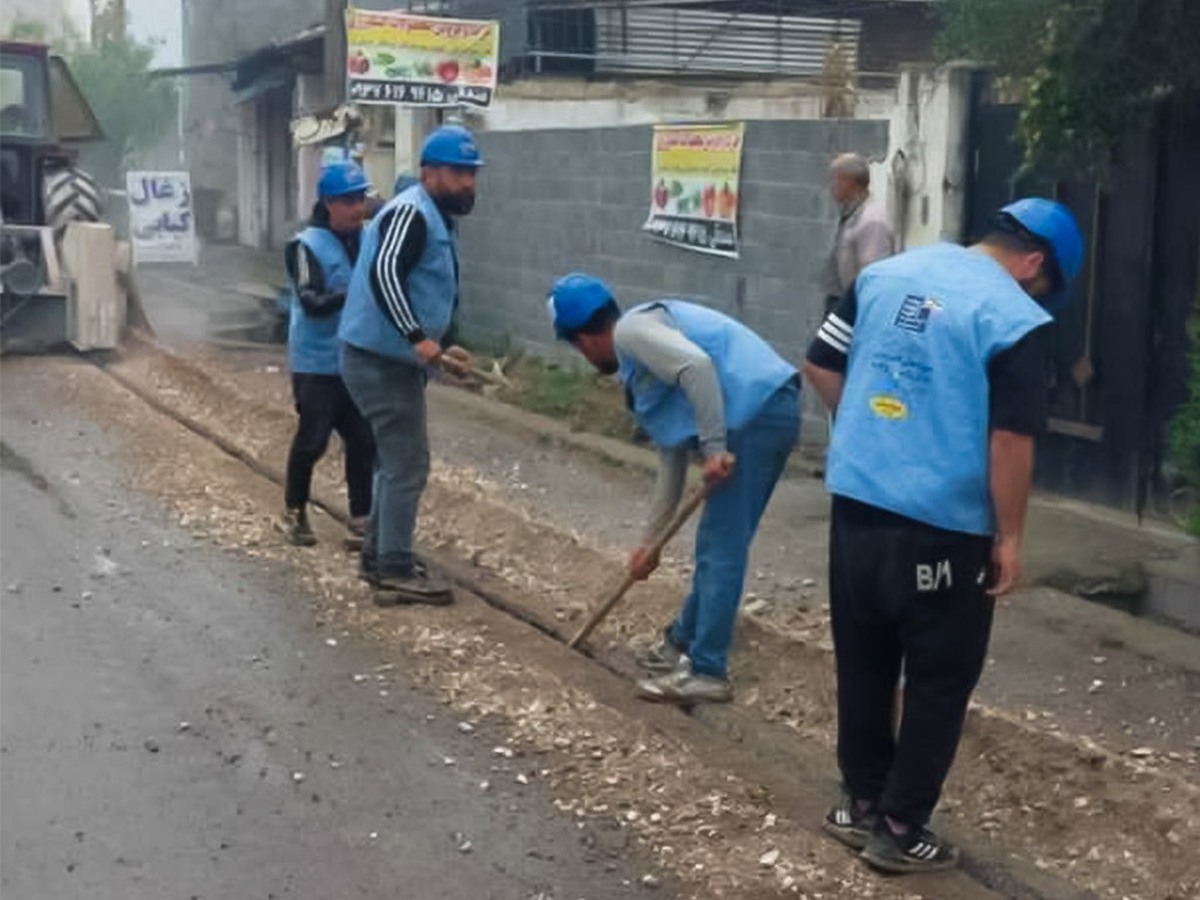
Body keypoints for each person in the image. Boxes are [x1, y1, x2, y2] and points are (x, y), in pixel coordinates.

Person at [803, 198, 1084, 874]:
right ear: (1035, 263)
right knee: (939, 675)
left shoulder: (885, 276)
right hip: (943, 527)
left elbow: (819, 363)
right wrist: (1011, 536)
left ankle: (861, 803)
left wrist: (878, 433)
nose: (1038, 296)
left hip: (858, 504)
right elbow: (1011, 437)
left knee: (864, 656)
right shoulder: (1013, 317)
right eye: (1044, 285)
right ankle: (900, 828)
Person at [547, 274, 801, 705]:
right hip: (766, 409)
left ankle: (708, 671)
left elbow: (697, 367)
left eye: (577, 348)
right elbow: (671, 460)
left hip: (754, 413)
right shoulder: (642, 361)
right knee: (719, 540)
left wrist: (715, 447)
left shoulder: (632, 332)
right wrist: (650, 545)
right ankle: (679, 643)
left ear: (583, 340)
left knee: (720, 544)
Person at [338, 125, 481, 606]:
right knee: (407, 464)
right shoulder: (412, 213)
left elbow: (422, 285)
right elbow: (385, 272)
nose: (467, 183)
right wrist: (417, 337)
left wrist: (444, 342)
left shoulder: (433, 217)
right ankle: (394, 568)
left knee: (395, 462)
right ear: (428, 173)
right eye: (457, 173)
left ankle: (380, 557)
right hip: (379, 360)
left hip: (385, 358)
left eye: (471, 174)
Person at [280, 161, 376, 549]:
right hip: (315, 362)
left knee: (362, 440)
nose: (357, 208)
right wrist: (355, 295)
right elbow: (312, 301)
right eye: (348, 201)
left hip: (354, 357)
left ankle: (361, 519)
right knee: (313, 440)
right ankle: (294, 511)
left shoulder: (368, 238)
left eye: (360, 200)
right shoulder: (306, 246)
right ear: (327, 204)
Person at [821, 153, 894, 315]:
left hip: (855, 308)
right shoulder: (851, 212)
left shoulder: (872, 221)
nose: (833, 186)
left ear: (850, 182)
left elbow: (873, 277)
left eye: (837, 180)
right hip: (839, 301)